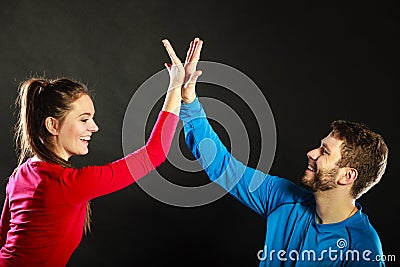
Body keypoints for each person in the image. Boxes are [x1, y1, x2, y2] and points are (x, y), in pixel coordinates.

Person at [0, 37, 203, 267]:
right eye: (84, 119)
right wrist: (175, 85)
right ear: (52, 125)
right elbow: (154, 153)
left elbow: (3, 238)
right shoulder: (69, 185)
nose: (94, 127)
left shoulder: (20, 175)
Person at [178, 44, 388, 266]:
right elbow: (224, 168)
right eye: (319, 146)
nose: (311, 153)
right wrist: (190, 101)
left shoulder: (363, 248)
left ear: (347, 176)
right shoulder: (283, 196)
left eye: (324, 152)